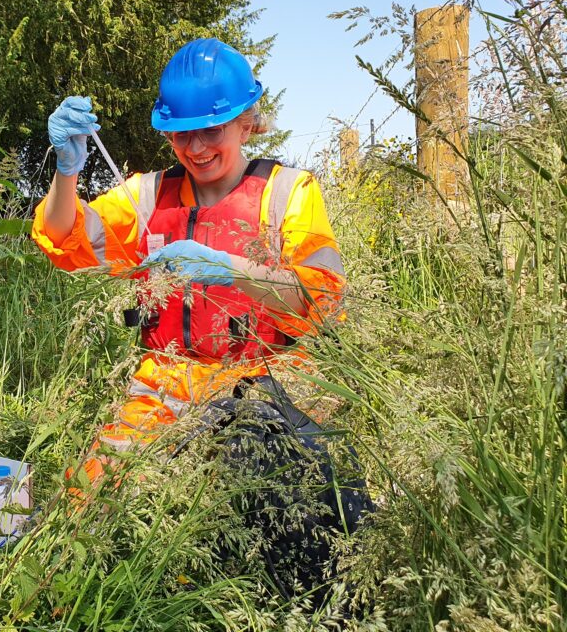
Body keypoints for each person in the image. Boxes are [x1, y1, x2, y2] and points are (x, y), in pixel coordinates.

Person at [31, 38, 346, 483]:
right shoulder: (147, 196)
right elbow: (65, 239)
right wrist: (67, 172)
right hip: (164, 382)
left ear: (245, 124)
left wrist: (229, 270)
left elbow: (323, 298)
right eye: (181, 133)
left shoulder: (286, 193)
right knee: (92, 496)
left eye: (211, 130)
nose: (195, 148)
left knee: (257, 502)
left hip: (263, 381)